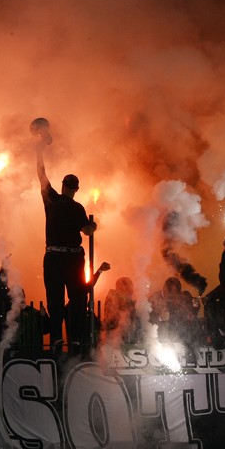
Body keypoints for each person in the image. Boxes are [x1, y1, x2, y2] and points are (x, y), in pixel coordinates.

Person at [36, 134, 96, 354]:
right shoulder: (77, 208)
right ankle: (77, 338)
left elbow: (41, 175)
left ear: (63, 186)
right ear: (76, 189)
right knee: (78, 298)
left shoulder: (50, 198)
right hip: (72, 258)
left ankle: (56, 339)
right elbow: (88, 232)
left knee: (56, 300)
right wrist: (94, 226)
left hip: (54, 257)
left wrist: (39, 151)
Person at [148, 276, 198, 343]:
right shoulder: (153, 300)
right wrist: (160, 318)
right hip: (160, 338)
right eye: (171, 295)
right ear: (164, 289)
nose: (173, 298)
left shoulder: (183, 296)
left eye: (175, 295)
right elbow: (147, 320)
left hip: (181, 336)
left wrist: (196, 305)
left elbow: (192, 307)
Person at [101, 277, 141, 345]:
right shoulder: (114, 297)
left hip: (124, 337)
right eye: (129, 285)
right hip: (116, 337)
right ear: (123, 287)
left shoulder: (127, 300)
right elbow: (115, 318)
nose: (132, 288)